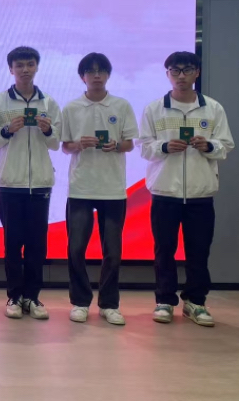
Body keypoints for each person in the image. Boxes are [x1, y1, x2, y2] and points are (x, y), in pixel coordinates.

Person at [139, 51, 233, 327]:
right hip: (165, 192)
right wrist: (165, 146)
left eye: (187, 70)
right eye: (175, 70)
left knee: (199, 252)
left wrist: (209, 146)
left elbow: (226, 145)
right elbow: (144, 147)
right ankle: (164, 301)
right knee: (164, 250)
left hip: (200, 194)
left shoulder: (212, 108)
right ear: (167, 74)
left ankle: (196, 302)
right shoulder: (154, 109)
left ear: (197, 73)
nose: (181, 76)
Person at [0, 46, 60, 320]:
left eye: (30, 64)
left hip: (40, 184)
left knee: (37, 245)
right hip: (10, 184)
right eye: (19, 65)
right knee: (13, 244)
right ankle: (14, 296)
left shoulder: (48, 103)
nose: (25, 70)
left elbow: (56, 143)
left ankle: (33, 297)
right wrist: (7, 130)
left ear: (36, 67)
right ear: (11, 69)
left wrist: (47, 130)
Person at [61, 53, 138, 326]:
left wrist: (115, 145)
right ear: (82, 76)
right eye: (91, 71)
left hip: (113, 189)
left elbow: (129, 143)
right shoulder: (71, 108)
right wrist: (79, 144)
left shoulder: (121, 105)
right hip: (81, 188)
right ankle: (80, 302)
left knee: (113, 252)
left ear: (108, 75)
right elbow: (65, 146)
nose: (96, 75)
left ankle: (109, 304)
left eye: (101, 71)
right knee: (76, 249)